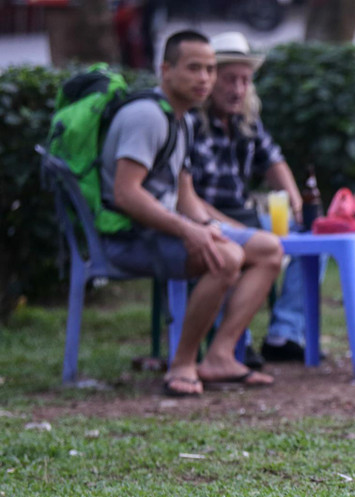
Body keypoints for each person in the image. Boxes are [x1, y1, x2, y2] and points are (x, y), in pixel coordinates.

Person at [100, 30, 283, 396]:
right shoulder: (147, 117)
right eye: (194, 68)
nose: (204, 79)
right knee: (225, 257)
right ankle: (182, 364)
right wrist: (191, 233)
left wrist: (216, 227)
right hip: (127, 237)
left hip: (163, 230)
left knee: (267, 248)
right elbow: (126, 194)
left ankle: (220, 357)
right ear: (165, 69)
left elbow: (186, 197)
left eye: (210, 69)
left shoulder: (181, 119)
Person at [187, 31, 310, 365]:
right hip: (205, 217)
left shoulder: (247, 118)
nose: (237, 89)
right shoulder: (189, 123)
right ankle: (237, 341)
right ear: (211, 79)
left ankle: (284, 333)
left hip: (245, 214)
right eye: (230, 79)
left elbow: (274, 160)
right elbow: (188, 199)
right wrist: (232, 226)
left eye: (244, 80)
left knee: (313, 239)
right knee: (235, 248)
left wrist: (295, 201)